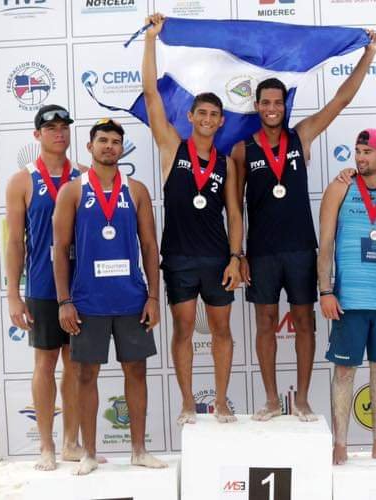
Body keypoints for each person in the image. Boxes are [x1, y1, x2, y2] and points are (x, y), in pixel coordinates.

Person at [231, 30, 376, 422]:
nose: (272, 108)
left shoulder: (302, 136)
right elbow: (235, 207)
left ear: (285, 105)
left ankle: (302, 400)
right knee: (264, 323)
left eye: (278, 102)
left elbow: (341, 100)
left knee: (304, 323)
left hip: (300, 248)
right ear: (257, 106)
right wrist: (238, 253)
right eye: (265, 103)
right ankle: (268, 398)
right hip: (261, 251)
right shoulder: (242, 150)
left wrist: (368, 55)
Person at [141, 14, 243, 425]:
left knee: (222, 332)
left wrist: (236, 256)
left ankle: (220, 401)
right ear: (191, 117)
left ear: (221, 121)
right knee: (182, 331)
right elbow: (151, 96)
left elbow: (235, 212)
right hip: (179, 257)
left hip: (217, 257)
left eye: (213, 115)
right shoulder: (172, 148)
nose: (205, 119)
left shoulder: (226, 161)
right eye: (200, 113)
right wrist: (151, 40)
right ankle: (187, 403)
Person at [53, 119, 166, 475]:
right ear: (89, 147)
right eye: (103, 140)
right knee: (86, 375)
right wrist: (63, 301)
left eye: (116, 141)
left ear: (122, 149)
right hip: (88, 301)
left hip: (132, 299)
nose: (109, 146)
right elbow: (60, 249)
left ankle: (138, 449)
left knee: (137, 372)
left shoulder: (136, 190)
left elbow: (149, 246)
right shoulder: (72, 191)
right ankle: (88, 453)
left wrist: (152, 297)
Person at [318, 129, 376, 465]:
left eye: (367, 151)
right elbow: (325, 244)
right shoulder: (340, 187)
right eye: (357, 150)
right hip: (349, 299)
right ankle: (339, 444)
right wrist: (325, 290)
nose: (359, 157)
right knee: (344, 371)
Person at [5, 104, 84, 471]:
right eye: (51, 127)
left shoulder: (83, 176)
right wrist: (13, 294)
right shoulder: (22, 180)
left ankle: (71, 441)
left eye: (64, 126)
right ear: (37, 135)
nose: (59, 133)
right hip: (40, 286)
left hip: (80, 286)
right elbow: (15, 243)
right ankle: (46, 446)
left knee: (76, 364)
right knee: (44, 363)